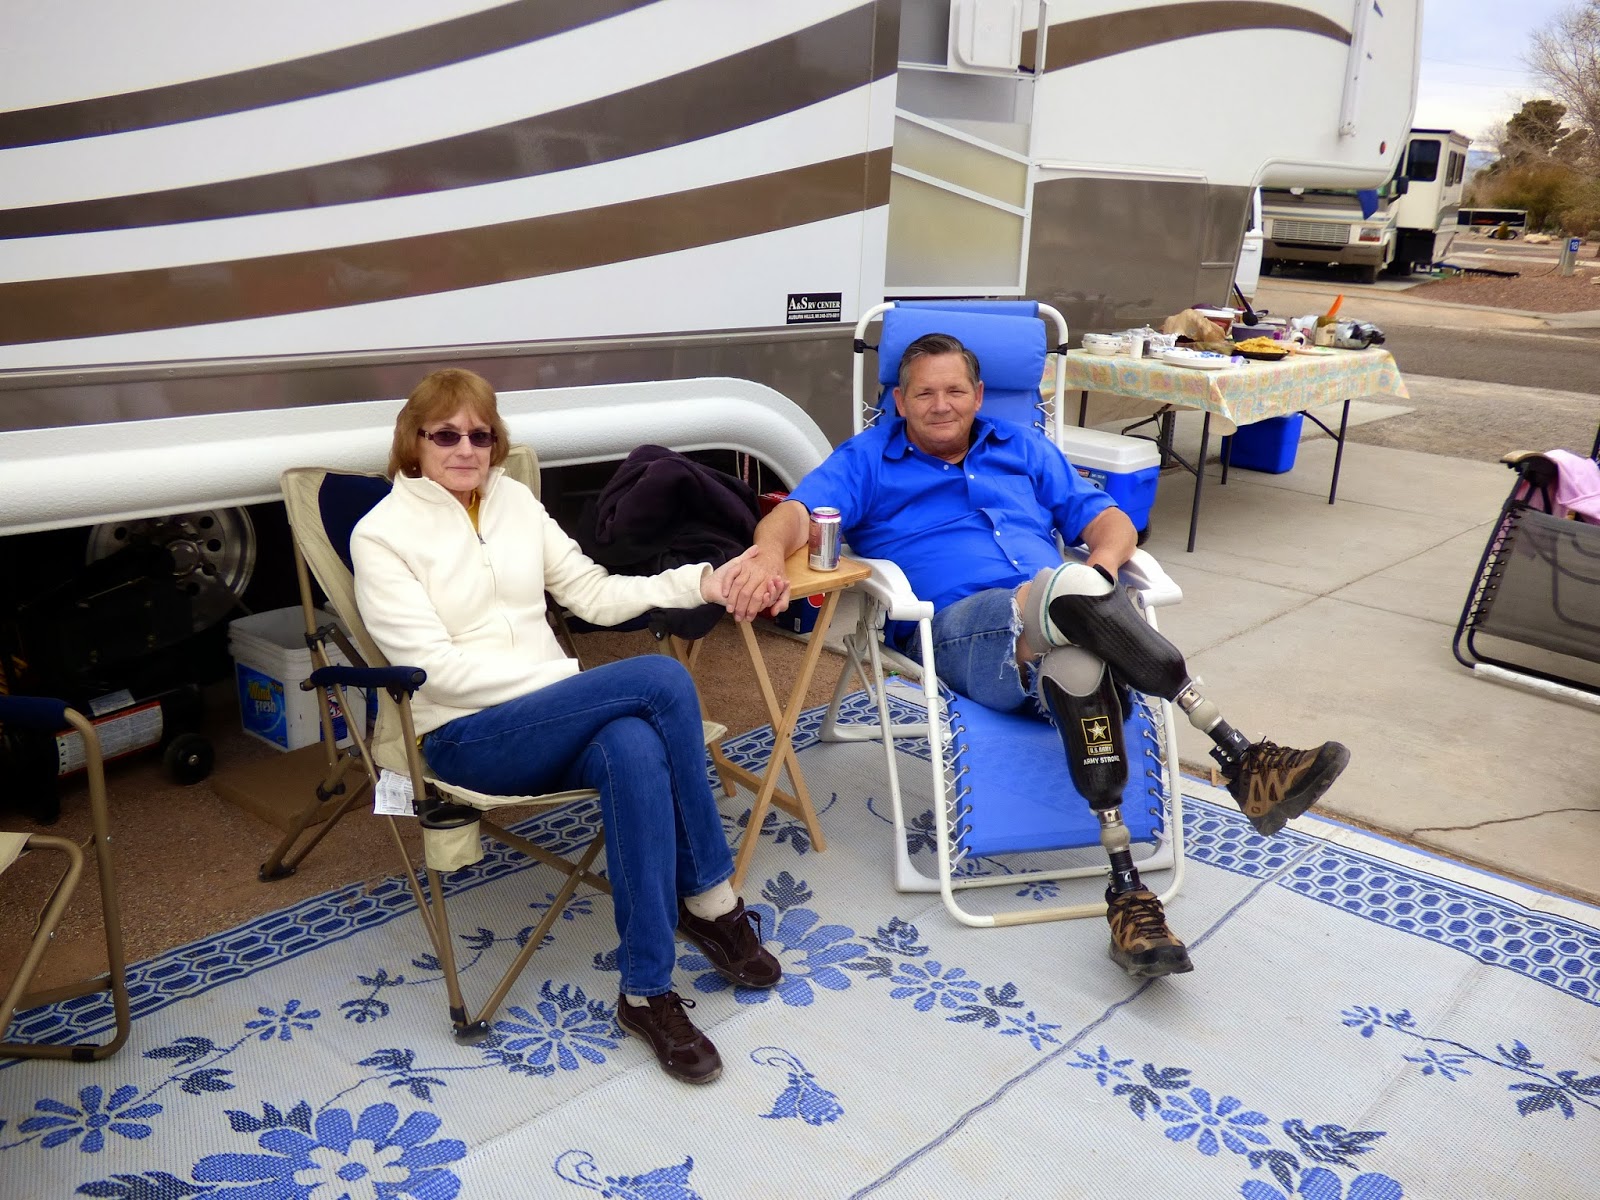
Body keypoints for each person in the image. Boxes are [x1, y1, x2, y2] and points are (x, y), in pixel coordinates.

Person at [727, 333, 1350, 980]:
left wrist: (1099, 576)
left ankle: (1128, 891)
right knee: (1067, 598)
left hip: (1060, 629)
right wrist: (768, 554)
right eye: (924, 393)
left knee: (1079, 662)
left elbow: (1108, 521)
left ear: (979, 395)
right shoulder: (867, 460)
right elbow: (793, 514)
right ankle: (1237, 752)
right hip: (960, 632)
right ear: (899, 401)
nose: (941, 404)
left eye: (955, 390)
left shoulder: (1023, 446)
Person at [351, 368, 785, 1085]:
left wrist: (700, 582)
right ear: (413, 442)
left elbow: (590, 593)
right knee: (660, 681)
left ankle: (645, 991)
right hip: (466, 736)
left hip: (555, 717)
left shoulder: (514, 501)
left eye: (480, 435)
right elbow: (433, 671)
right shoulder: (382, 535)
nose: (465, 449)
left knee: (633, 744)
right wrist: (569, 684)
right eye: (446, 435)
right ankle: (713, 901)